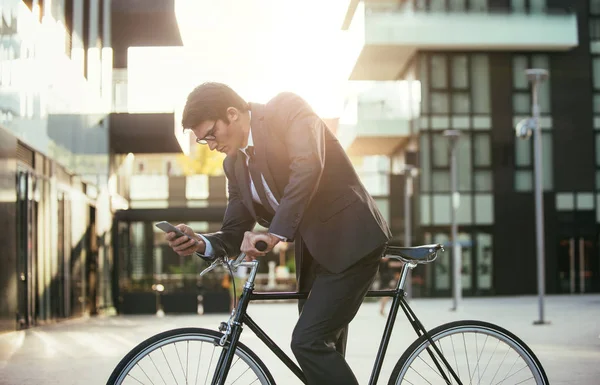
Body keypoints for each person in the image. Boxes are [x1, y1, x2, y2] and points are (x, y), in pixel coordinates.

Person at [165, 82, 391, 385]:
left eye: (210, 135)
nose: (211, 145)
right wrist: (200, 243)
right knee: (322, 353)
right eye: (203, 141)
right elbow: (234, 230)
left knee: (307, 341)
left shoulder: (285, 110)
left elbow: (308, 165)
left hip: (352, 241)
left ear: (232, 114)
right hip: (316, 254)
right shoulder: (235, 165)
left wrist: (275, 233)